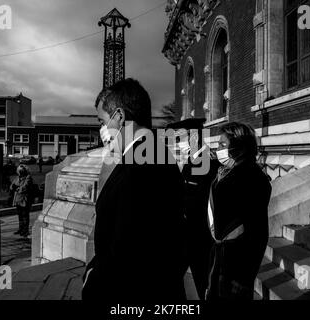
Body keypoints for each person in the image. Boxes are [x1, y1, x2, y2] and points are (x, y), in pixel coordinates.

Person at [82, 78, 188, 301]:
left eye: (102, 122)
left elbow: (127, 254)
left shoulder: (141, 166)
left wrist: (93, 280)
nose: (101, 130)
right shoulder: (151, 154)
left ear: (119, 117)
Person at [205, 122, 272, 301]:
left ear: (239, 146)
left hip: (238, 261)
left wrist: (245, 271)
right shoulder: (226, 172)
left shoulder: (253, 178)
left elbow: (256, 230)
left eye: (223, 145)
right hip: (221, 255)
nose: (218, 148)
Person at [181, 130, 221, 300]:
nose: (182, 144)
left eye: (183, 139)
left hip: (201, 236)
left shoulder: (210, 164)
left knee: (203, 282)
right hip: (186, 233)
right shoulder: (191, 162)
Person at [10, 165, 33, 238]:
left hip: (24, 200)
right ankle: (20, 229)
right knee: (20, 215)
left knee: (25, 215)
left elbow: (25, 187)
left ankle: (25, 231)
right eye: (19, 171)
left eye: (21, 171)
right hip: (18, 200)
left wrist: (16, 188)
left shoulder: (28, 177)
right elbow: (11, 186)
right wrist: (14, 188)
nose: (19, 173)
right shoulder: (17, 178)